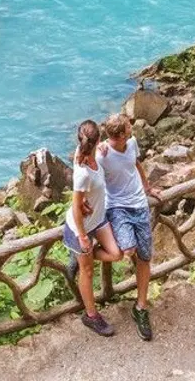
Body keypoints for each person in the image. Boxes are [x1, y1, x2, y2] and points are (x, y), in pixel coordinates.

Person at [100, 112, 159, 341]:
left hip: (139, 205)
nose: (131, 127)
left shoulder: (132, 143)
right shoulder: (102, 154)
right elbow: (83, 164)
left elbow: (137, 164)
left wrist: (148, 188)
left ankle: (141, 307)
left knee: (144, 257)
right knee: (128, 250)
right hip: (117, 207)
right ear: (121, 134)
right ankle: (86, 253)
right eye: (128, 126)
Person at [63, 118, 123, 336]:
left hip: (98, 219)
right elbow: (76, 206)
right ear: (95, 139)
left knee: (116, 253)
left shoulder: (88, 149)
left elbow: (93, 147)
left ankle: (77, 257)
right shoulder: (82, 174)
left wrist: (104, 146)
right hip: (82, 228)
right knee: (87, 272)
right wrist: (82, 237)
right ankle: (91, 316)